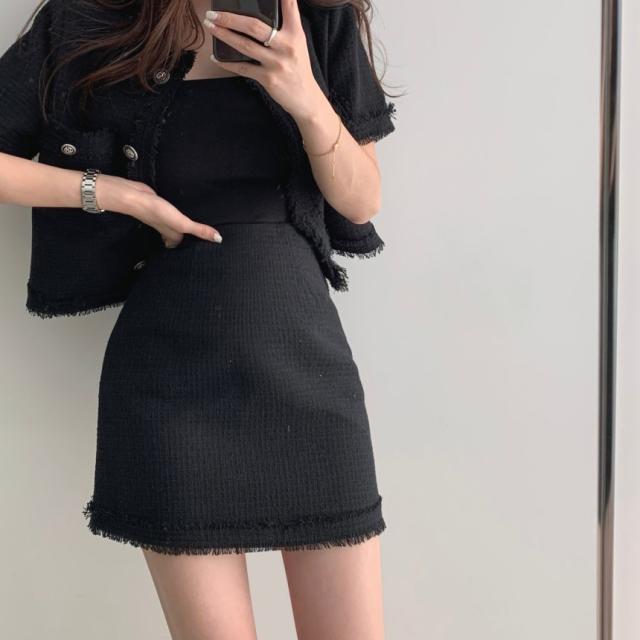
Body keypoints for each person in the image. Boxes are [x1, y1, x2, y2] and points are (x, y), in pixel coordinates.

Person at [0, 0, 398, 637]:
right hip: (168, 390)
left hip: (308, 373)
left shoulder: (320, 18)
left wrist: (304, 95)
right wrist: (113, 193)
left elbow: (362, 199)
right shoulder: (92, 19)